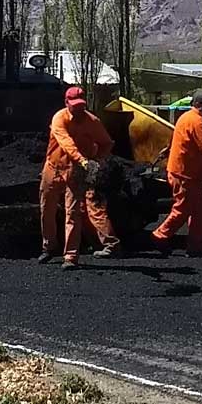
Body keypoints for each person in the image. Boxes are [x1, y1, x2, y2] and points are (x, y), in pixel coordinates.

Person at [39, 86, 120, 269]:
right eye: (74, 106)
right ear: (66, 103)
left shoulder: (92, 121)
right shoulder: (59, 118)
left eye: (81, 105)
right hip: (53, 167)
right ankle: (49, 247)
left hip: (76, 171)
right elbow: (66, 142)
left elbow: (107, 143)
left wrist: (96, 160)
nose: (79, 109)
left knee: (73, 213)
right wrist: (84, 160)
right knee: (47, 209)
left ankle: (71, 257)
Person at [152, 89, 202, 256]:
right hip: (184, 174)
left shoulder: (185, 118)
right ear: (197, 105)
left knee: (200, 211)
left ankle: (196, 246)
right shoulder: (197, 122)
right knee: (183, 209)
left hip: (189, 173)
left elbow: (175, 140)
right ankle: (160, 236)